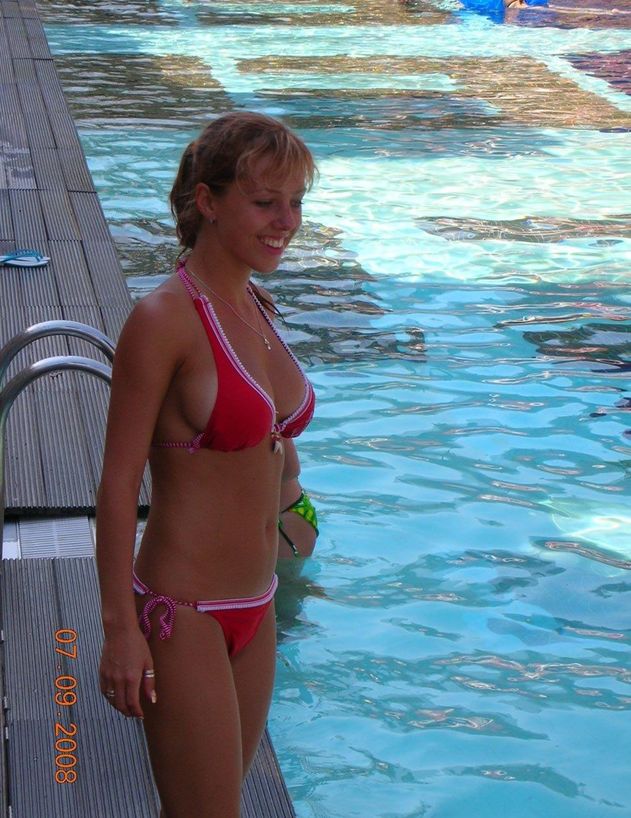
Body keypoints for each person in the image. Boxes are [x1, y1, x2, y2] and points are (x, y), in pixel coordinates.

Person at [96, 111, 317, 818]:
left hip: (256, 605)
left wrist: (295, 510)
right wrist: (120, 631)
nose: (286, 222)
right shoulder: (164, 320)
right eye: (265, 202)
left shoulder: (254, 303)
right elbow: (116, 484)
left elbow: (270, 441)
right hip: (183, 613)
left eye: (296, 202)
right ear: (207, 201)